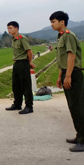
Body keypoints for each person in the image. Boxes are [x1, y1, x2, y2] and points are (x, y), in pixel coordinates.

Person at [50, 11, 84, 152]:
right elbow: (62, 59)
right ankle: (79, 135)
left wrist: (68, 76)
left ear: (62, 22)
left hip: (74, 73)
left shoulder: (68, 36)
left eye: (54, 21)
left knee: (78, 107)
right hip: (66, 72)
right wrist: (60, 76)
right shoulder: (61, 36)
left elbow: (71, 56)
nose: (52, 24)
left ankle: (83, 140)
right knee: (73, 106)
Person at [5, 21, 35, 114]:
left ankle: (29, 106)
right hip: (16, 63)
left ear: (16, 28)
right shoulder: (13, 39)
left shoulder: (22, 38)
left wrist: (28, 63)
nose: (9, 30)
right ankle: (17, 104)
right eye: (8, 28)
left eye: (10, 28)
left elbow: (29, 52)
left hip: (23, 63)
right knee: (16, 85)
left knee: (26, 85)